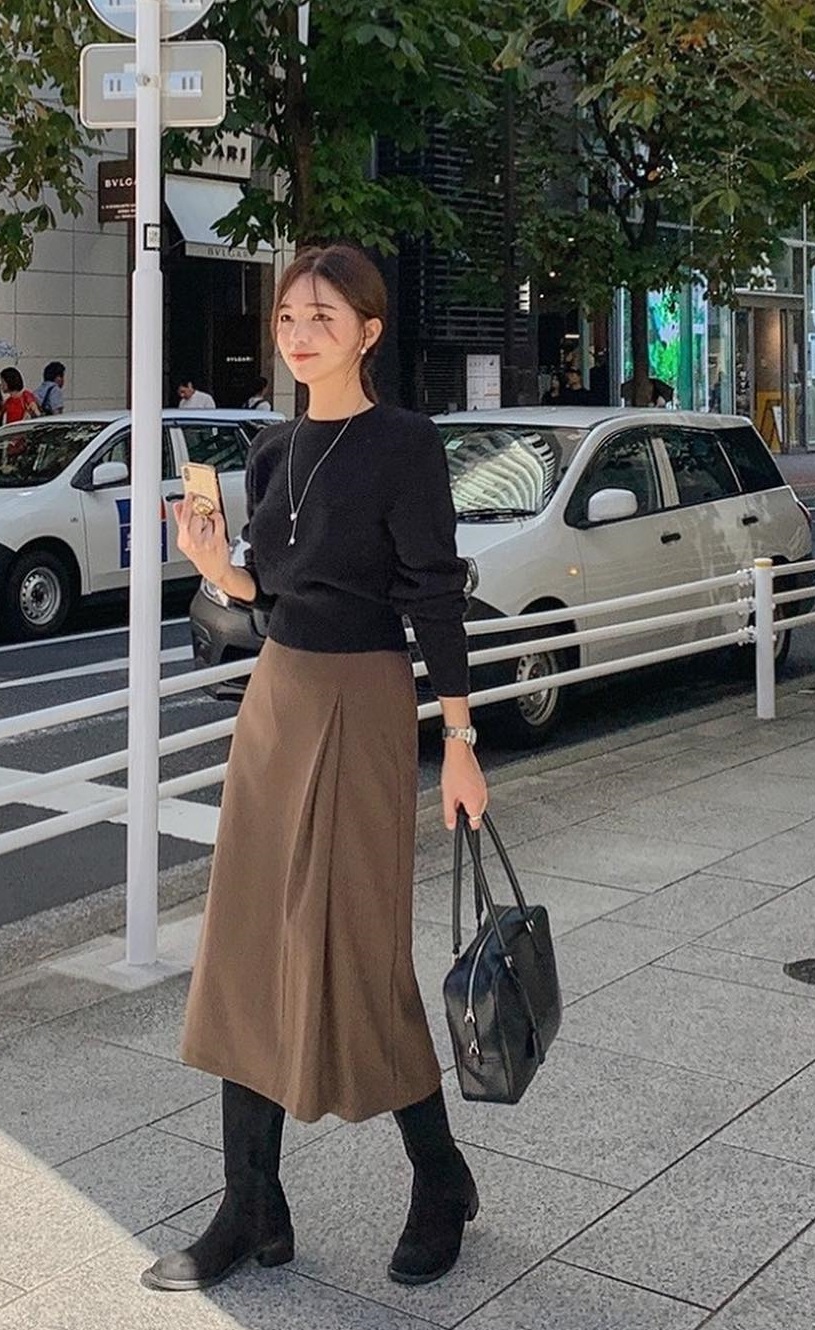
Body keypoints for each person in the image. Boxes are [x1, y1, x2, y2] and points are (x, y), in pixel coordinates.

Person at [142, 245, 488, 1296]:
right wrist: (217, 568)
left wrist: (460, 741)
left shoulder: (404, 443)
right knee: (245, 944)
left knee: (359, 950)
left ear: (368, 332)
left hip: (364, 699)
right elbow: (270, 588)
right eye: (288, 315)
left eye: (323, 317)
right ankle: (252, 1205)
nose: (299, 333)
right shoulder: (270, 449)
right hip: (279, 698)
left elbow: (433, 594)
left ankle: (440, 1177)